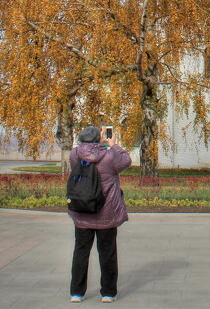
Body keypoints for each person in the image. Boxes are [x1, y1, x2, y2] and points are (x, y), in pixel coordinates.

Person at [69, 125, 132, 303]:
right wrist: (113, 145)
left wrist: (95, 141)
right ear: (99, 138)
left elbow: (83, 154)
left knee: (81, 252)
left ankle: (77, 293)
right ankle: (108, 293)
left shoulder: (74, 154)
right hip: (107, 212)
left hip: (82, 211)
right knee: (107, 253)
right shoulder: (110, 156)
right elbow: (126, 160)